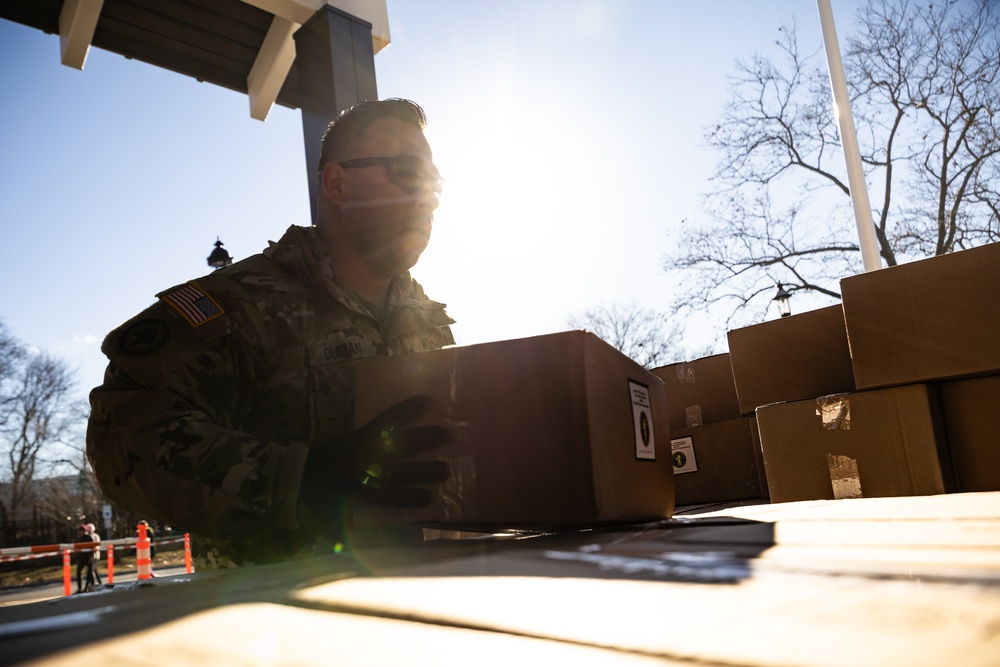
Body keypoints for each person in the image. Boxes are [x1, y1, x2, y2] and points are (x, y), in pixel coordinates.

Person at [87, 99, 455, 568]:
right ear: (337, 183)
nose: (429, 197)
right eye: (407, 172)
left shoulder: (423, 315)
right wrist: (298, 481)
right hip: (267, 615)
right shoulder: (240, 305)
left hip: (428, 593)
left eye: (435, 182)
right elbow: (119, 433)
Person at [75, 524, 97, 593]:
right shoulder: (78, 539)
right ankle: (80, 588)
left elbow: (93, 548)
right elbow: (78, 550)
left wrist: (91, 556)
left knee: (90, 573)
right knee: (78, 573)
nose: (79, 533)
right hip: (81, 558)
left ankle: (90, 586)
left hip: (88, 558)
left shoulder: (89, 538)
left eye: (80, 532)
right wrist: (77, 558)